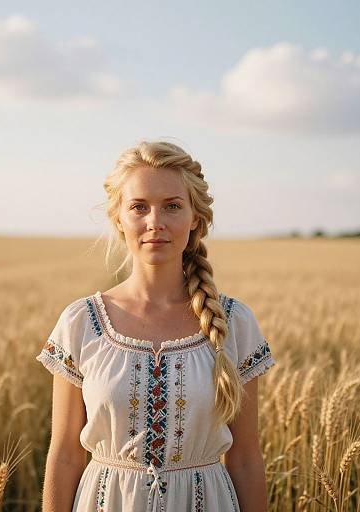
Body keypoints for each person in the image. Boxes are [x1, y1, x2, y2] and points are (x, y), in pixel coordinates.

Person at [36, 140, 277, 511]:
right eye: (139, 207)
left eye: (172, 206)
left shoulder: (234, 323)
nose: (155, 222)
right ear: (118, 217)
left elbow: (245, 458)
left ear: (195, 217)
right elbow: (65, 454)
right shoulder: (82, 322)